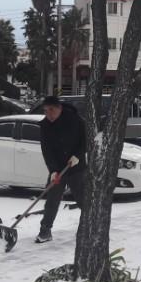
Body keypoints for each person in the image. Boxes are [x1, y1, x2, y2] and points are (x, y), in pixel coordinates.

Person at [36, 96, 86, 243]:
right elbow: (47, 150)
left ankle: (86, 229)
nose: (49, 114)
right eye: (46, 111)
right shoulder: (45, 126)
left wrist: (77, 155)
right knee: (52, 199)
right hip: (58, 168)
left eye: (51, 110)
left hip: (76, 167)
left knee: (84, 200)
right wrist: (53, 171)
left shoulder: (75, 120)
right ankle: (45, 231)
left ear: (60, 108)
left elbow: (86, 140)